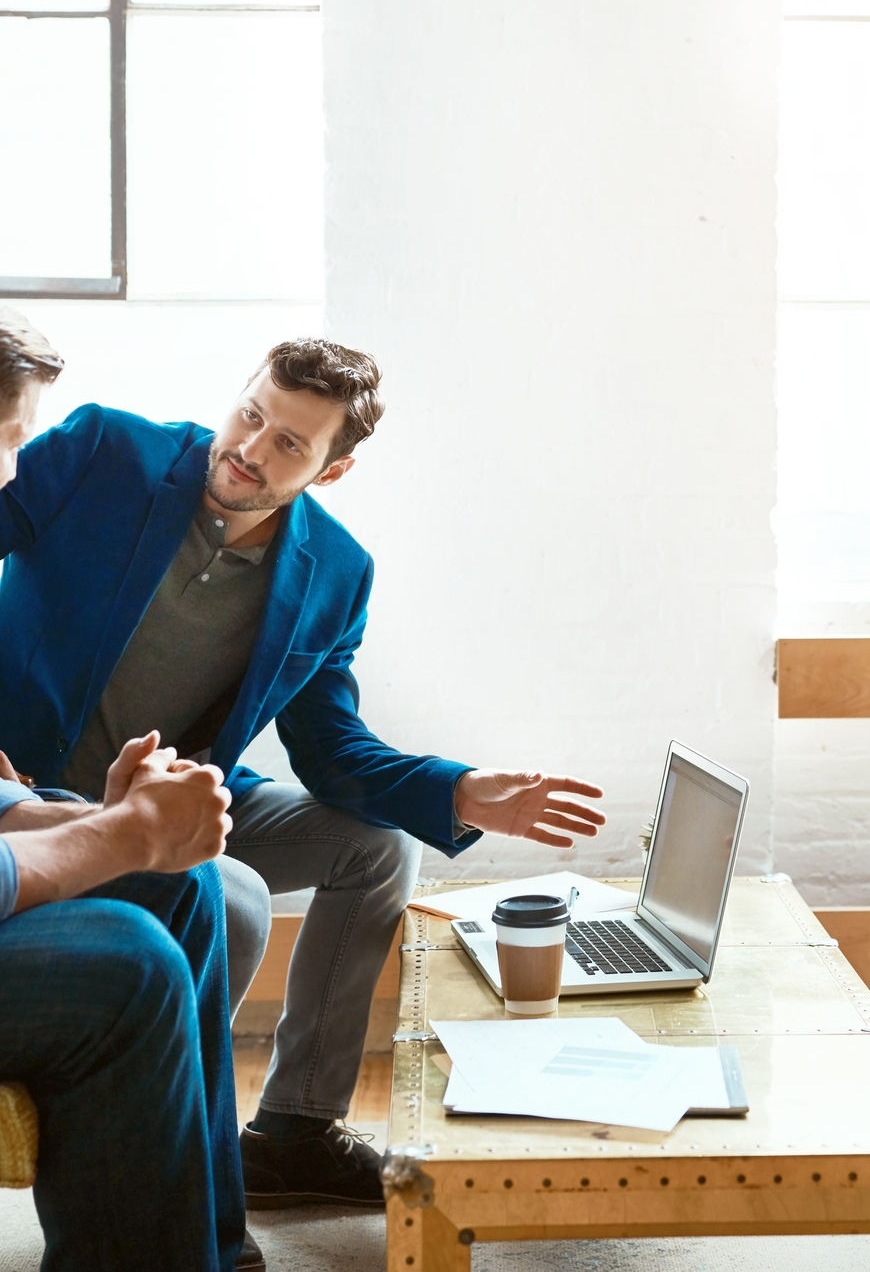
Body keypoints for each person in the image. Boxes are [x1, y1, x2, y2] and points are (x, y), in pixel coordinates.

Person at [0, 314, 607, 1208]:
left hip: (181, 801)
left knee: (377, 845)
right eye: (248, 414)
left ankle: (292, 1131)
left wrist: (462, 790)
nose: (247, 448)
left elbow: (331, 750)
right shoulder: (107, 451)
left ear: (333, 468)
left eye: (287, 443)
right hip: (31, 790)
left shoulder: (336, 571)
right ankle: (167, 1148)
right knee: (234, 898)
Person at [0, 313, 264, 1271]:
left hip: (45, 798)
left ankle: (212, 1248)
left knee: (190, 886)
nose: (11, 470)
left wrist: (91, 820)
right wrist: (114, 835)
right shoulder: (115, 450)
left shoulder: (334, 568)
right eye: (10, 439)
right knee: (129, 958)